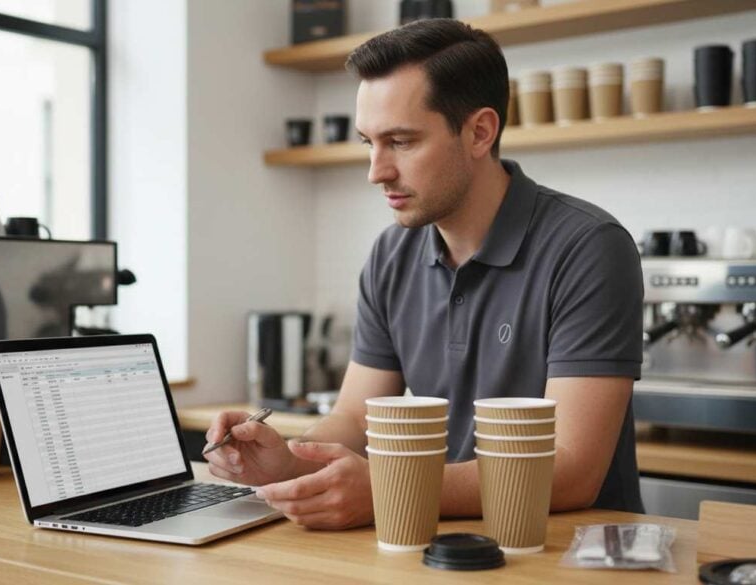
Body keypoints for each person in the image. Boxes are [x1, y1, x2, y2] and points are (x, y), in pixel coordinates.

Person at [206, 18, 645, 529]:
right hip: (436, 538)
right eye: (369, 142)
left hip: (565, 549)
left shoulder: (588, 247)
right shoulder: (392, 254)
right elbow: (355, 417)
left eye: (401, 141)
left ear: (480, 132)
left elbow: (571, 468)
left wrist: (394, 488)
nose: (376, 170)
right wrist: (292, 460)